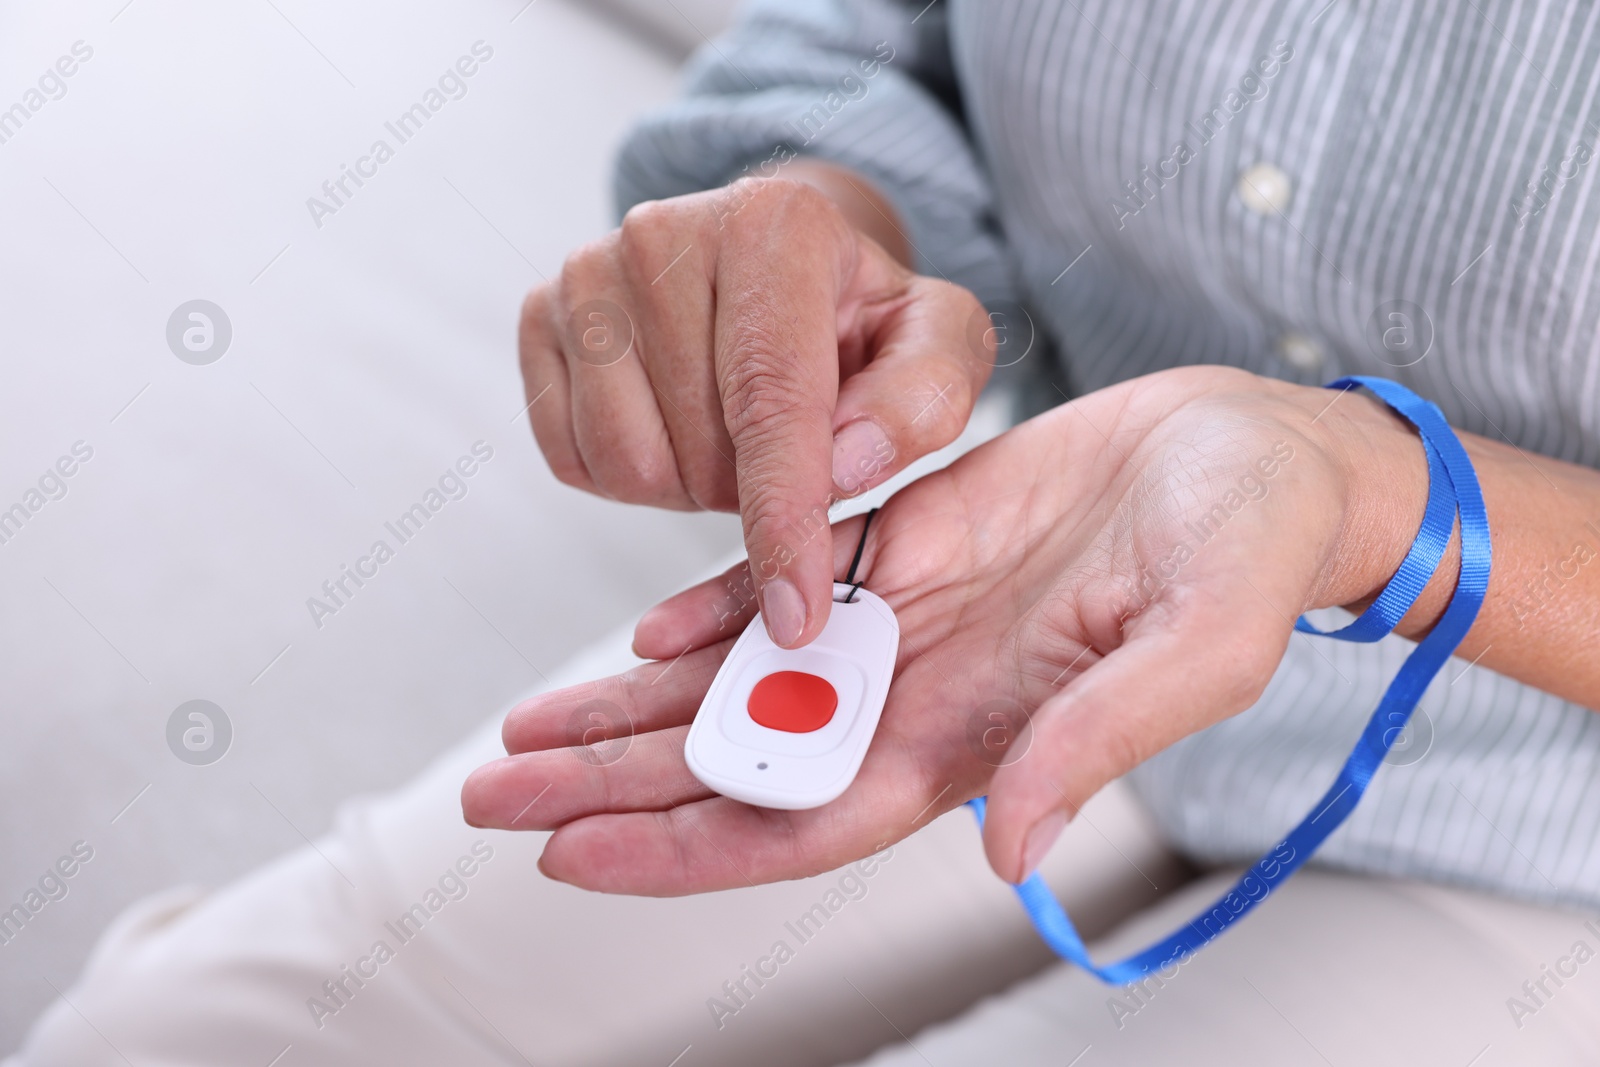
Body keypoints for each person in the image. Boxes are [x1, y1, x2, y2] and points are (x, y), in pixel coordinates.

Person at [14, 1, 1600, 1063]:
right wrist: (821, 216)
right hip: (1046, 585)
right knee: (188, 1034)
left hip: (1549, 828)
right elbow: (868, 34)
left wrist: (1373, 500)